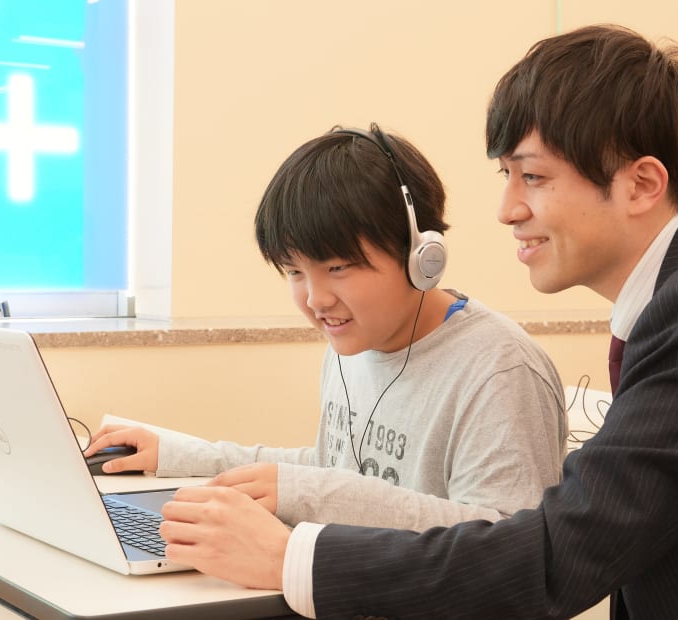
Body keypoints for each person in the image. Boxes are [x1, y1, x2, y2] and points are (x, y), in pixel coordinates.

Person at [156, 24, 678, 619]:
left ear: (641, 184)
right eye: (506, 175)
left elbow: (556, 554)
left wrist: (291, 560)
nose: (505, 209)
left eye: (531, 177)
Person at [85, 124, 567, 532]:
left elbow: (506, 547)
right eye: (295, 272)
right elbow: (337, 470)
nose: (316, 300)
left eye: (338, 268)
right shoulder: (351, 342)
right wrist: (177, 454)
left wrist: (309, 494)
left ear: (423, 256)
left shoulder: (500, 372)